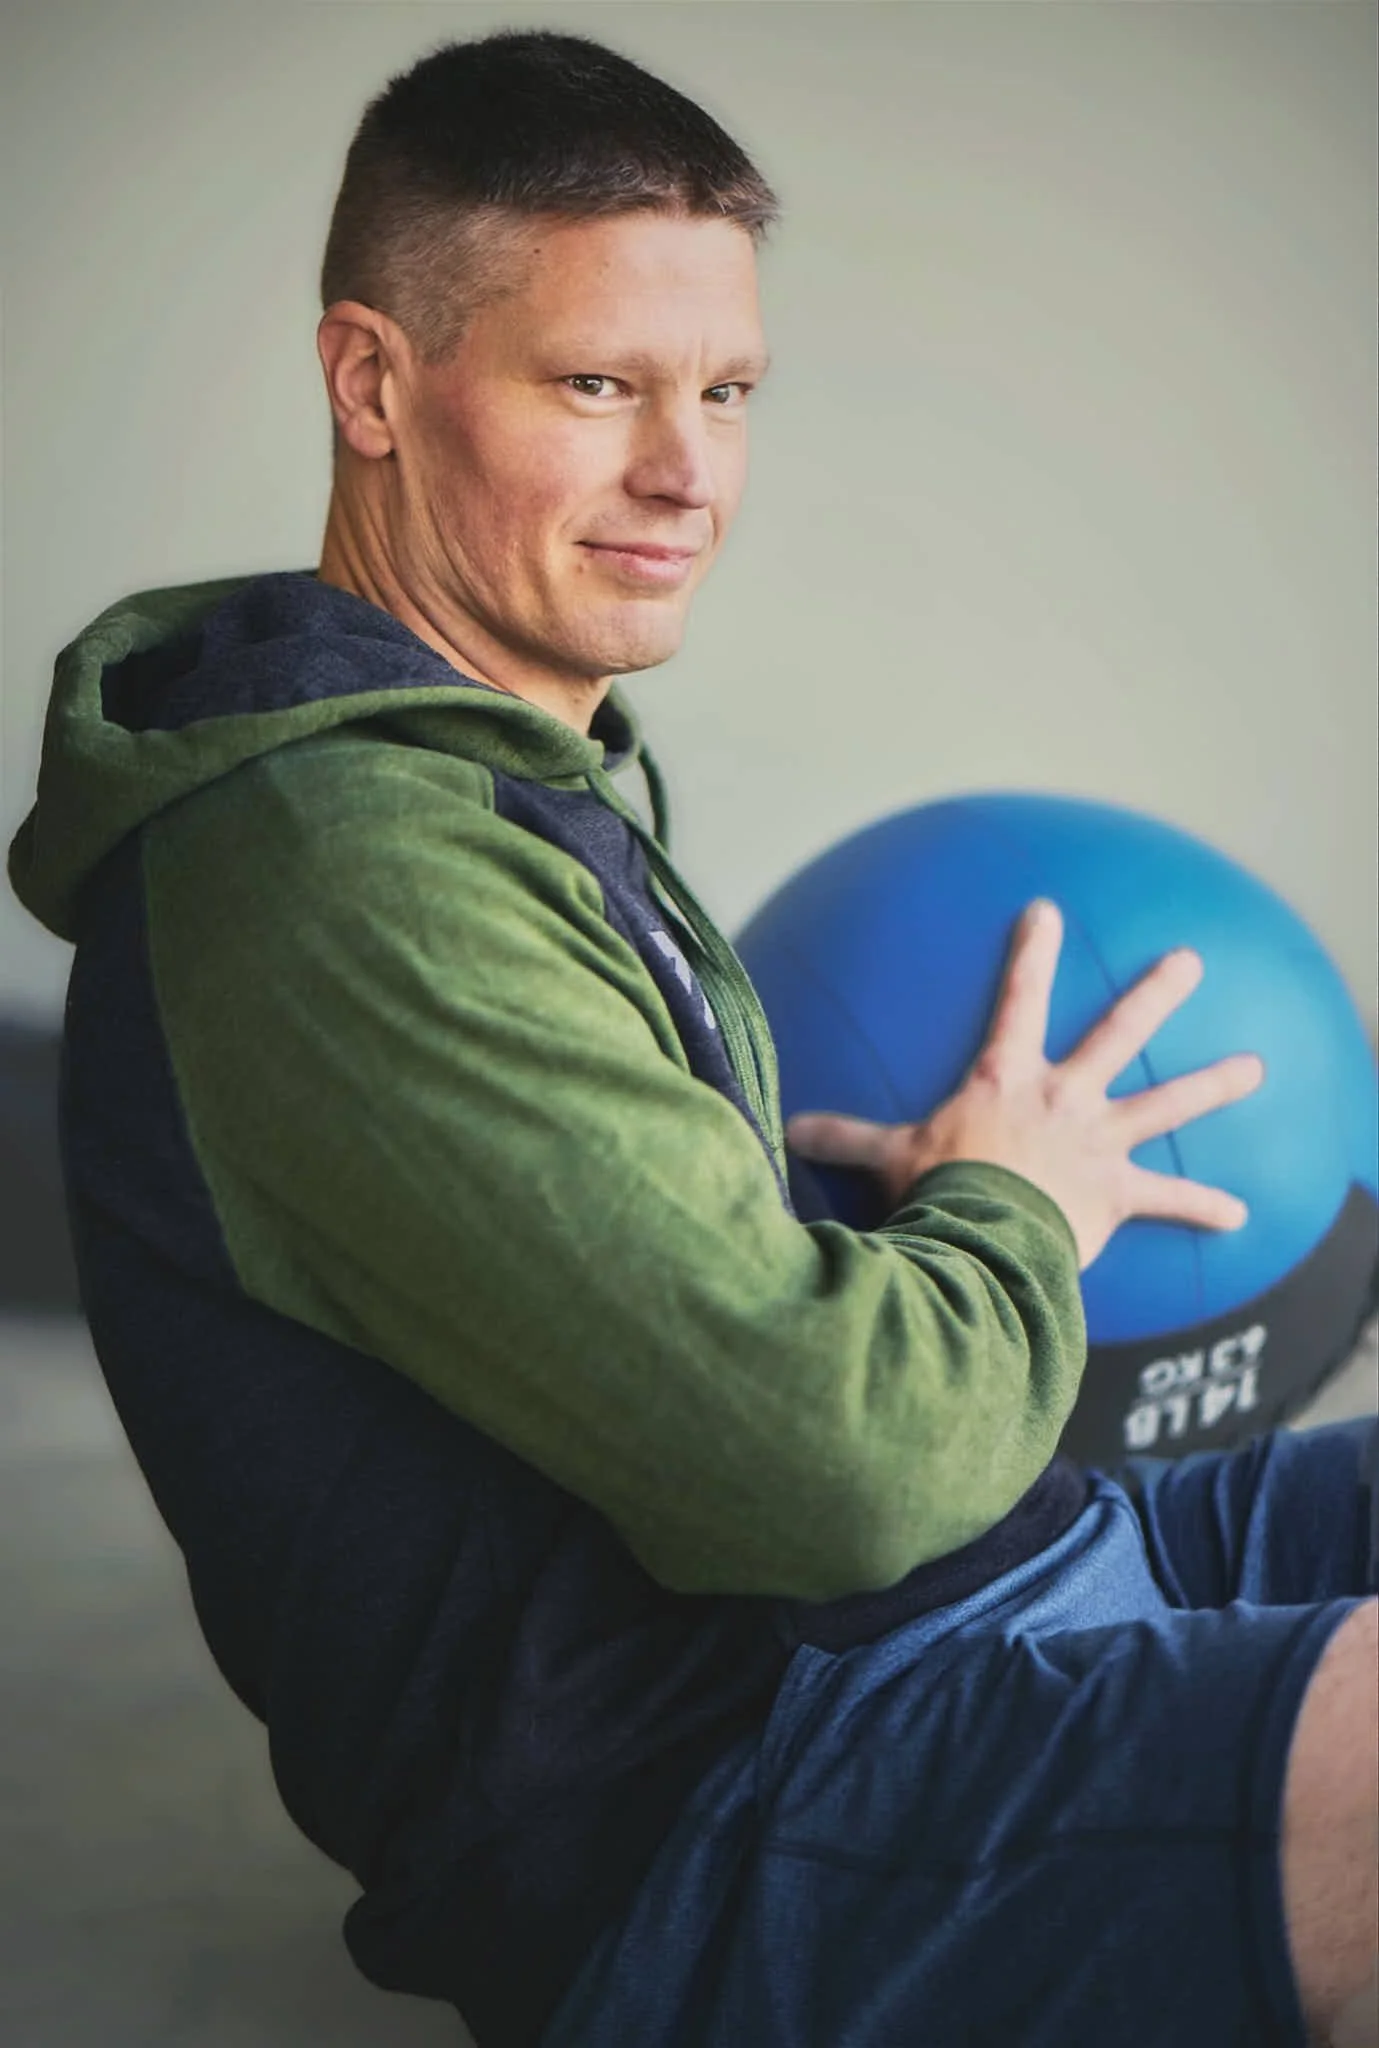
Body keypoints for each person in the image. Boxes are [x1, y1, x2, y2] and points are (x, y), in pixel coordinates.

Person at [8, 28, 1376, 2048]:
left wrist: (868, 1215)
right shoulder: (330, 871)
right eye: (597, 385)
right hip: (738, 1803)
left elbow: (662, 1311)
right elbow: (826, 1472)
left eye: (724, 390)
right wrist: (1009, 1198)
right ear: (372, 382)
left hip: (961, 1584)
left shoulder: (484, 779)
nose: (687, 470)